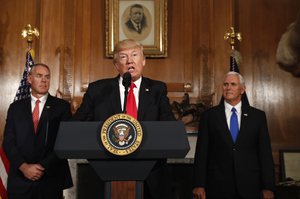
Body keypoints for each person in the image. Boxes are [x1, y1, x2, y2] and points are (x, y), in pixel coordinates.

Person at [72, 39, 175, 199]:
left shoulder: (157, 89)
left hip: (150, 173)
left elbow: (168, 126)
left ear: (143, 61)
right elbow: (78, 125)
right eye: (123, 57)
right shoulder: (98, 90)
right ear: (116, 65)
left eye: (134, 55)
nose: (130, 61)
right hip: (106, 171)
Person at [192, 71, 275, 199]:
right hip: (218, 186)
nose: (228, 87)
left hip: (250, 186)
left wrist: (268, 187)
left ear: (242, 89)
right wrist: (199, 184)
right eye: (225, 84)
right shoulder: (209, 116)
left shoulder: (257, 116)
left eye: (233, 84)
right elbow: (202, 152)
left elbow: (265, 153)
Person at [3, 63, 73, 199]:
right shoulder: (15, 108)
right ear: (29, 79)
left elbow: (64, 143)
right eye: (39, 76)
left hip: (50, 179)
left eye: (47, 77)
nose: (44, 80)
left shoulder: (62, 107)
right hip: (20, 179)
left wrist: (41, 167)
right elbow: (8, 142)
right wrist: (24, 167)